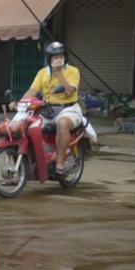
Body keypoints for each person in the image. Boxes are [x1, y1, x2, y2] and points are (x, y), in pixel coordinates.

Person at [14, 40, 84, 175]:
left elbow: (69, 92)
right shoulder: (42, 73)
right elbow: (32, 92)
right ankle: (29, 163)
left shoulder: (73, 71)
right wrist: (20, 103)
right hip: (48, 109)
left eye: (61, 56)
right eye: (55, 57)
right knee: (26, 125)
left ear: (65, 57)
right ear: (49, 59)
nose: (58, 59)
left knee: (62, 123)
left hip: (68, 108)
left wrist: (59, 73)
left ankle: (60, 162)